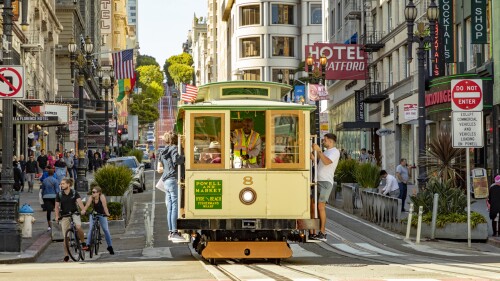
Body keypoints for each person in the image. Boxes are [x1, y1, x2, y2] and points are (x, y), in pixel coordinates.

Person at [309, 133, 340, 241]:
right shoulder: (327, 152)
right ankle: (312, 231)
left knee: (320, 207)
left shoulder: (335, 152)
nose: (323, 141)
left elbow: (326, 162)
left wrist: (319, 151)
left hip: (326, 182)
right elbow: (320, 163)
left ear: (330, 141)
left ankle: (322, 232)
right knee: (312, 206)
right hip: (317, 181)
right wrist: (314, 159)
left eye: (325, 140)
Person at [157, 131, 185, 242]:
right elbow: (177, 160)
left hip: (166, 181)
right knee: (175, 206)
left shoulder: (163, 151)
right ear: (175, 139)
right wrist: (184, 158)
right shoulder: (174, 148)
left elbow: (160, 167)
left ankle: (171, 232)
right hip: (173, 180)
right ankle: (174, 232)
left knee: (170, 207)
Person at [55, 178, 87, 262]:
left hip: (74, 213)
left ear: (68, 184)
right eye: (61, 184)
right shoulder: (59, 194)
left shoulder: (74, 193)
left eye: (63, 184)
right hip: (65, 215)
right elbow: (57, 206)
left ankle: (83, 242)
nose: (61, 185)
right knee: (66, 237)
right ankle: (66, 255)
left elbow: (79, 202)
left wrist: (83, 209)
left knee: (78, 227)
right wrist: (57, 216)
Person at [82, 185, 114, 254]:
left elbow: (105, 207)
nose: (92, 193)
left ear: (99, 193)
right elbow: (87, 205)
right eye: (92, 192)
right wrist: (83, 210)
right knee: (91, 228)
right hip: (94, 214)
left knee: (105, 229)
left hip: (102, 214)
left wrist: (107, 214)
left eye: (94, 192)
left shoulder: (102, 197)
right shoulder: (91, 197)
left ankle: (110, 246)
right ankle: (88, 245)